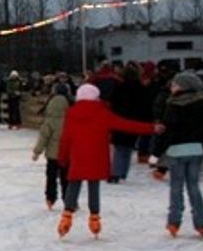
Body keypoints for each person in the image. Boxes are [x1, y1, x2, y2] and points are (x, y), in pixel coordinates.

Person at [56, 84, 160, 238]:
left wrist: (62, 157)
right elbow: (126, 125)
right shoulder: (102, 113)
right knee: (93, 186)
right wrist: (151, 128)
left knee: (74, 183)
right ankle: (94, 219)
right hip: (96, 156)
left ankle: (66, 217)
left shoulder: (71, 114)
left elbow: (66, 138)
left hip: (78, 156)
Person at [151, 72, 203, 238]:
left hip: (177, 151)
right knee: (194, 187)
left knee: (176, 187)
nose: (172, 87)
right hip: (196, 150)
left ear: (183, 86)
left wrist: (156, 155)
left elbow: (167, 132)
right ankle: (201, 224)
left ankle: (174, 222)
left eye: (175, 84)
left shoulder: (174, 105)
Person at [32, 84, 70, 210]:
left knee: (51, 177)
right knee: (66, 178)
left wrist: (37, 152)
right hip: (66, 154)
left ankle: (50, 198)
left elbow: (44, 137)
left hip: (52, 155)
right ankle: (69, 199)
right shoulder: (71, 118)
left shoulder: (50, 120)